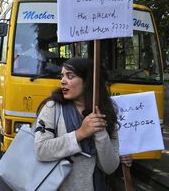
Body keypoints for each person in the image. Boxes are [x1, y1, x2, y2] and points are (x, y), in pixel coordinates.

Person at [34, 57, 119, 190]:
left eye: (70, 76)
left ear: (88, 81)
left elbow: (110, 167)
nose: (62, 81)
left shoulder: (106, 112)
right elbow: (41, 150)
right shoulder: (52, 108)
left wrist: (100, 133)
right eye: (62, 76)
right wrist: (80, 134)